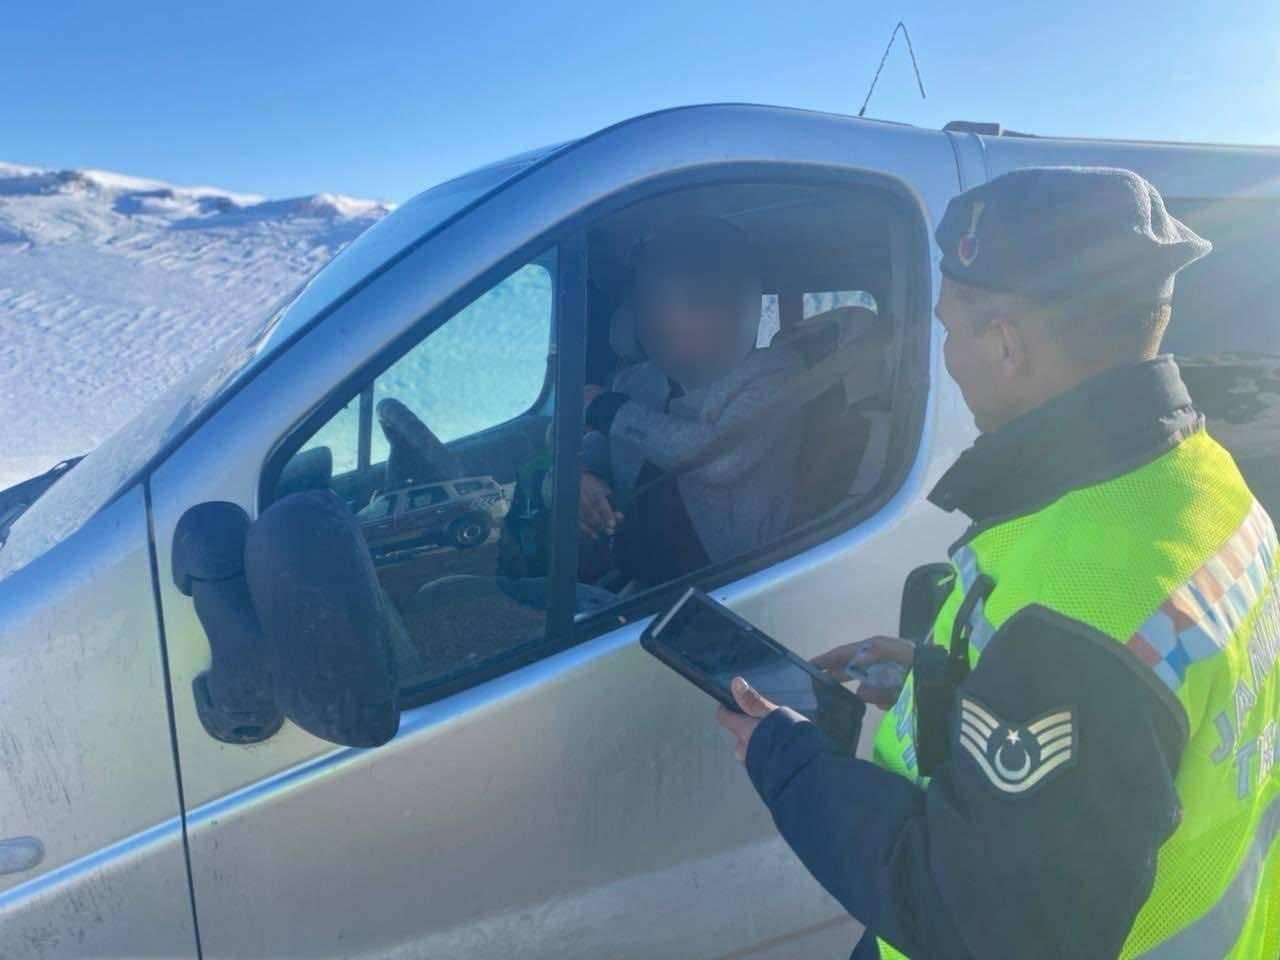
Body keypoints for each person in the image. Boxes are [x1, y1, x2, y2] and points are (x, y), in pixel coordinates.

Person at [717, 167, 1280, 959]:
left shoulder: (1071, 633)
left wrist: (789, 763)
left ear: (1007, 344)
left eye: (949, 328)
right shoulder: (1205, 481)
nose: (944, 354)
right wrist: (955, 685)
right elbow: (1150, 719)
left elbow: (978, 926)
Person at [580, 216, 845, 586]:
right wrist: (580, 478)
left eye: (709, 303)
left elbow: (716, 458)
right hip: (638, 584)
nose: (690, 318)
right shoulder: (637, 382)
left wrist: (607, 409)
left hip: (733, 584)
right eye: (670, 304)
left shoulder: (777, 373)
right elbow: (590, 449)